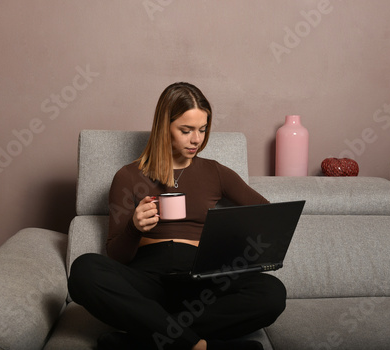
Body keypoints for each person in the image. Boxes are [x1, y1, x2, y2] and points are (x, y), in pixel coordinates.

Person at [68, 82, 286, 350]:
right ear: (164, 128)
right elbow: (116, 255)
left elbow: (268, 217)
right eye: (186, 130)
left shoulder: (215, 172)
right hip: (147, 282)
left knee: (272, 293)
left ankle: (141, 340)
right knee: (84, 270)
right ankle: (199, 346)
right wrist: (135, 228)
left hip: (201, 281)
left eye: (202, 129)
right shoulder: (128, 176)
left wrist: (228, 248)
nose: (197, 139)